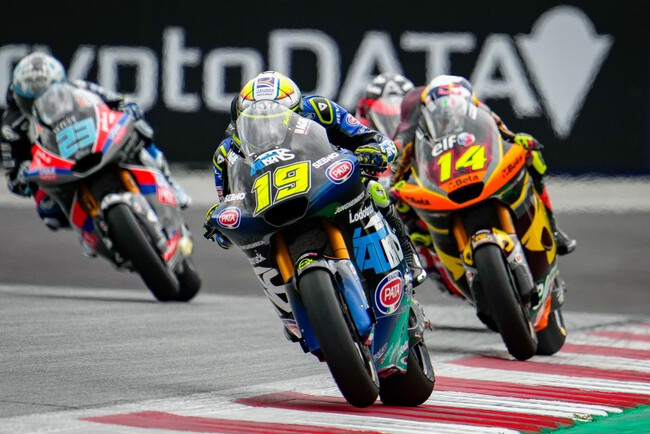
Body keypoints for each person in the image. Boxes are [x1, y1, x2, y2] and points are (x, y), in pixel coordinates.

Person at [204, 70, 427, 287]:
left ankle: (408, 254)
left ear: (297, 110)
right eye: (256, 120)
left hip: (323, 179)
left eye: (276, 118)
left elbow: (375, 139)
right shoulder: (226, 153)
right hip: (268, 206)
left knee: (372, 188)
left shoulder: (321, 109)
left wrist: (376, 151)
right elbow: (229, 203)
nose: (268, 128)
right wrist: (219, 223)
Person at [1, 51, 191, 234]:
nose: (41, 105)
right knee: (50, 214)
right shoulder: (11, 128)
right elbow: (13, 180)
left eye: (48, 95)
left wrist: (127, 108)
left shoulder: (78, 88)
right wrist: (24, 175)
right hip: (56, 167)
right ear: (18, 98)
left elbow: (119, 101)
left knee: (138, 128)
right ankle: (91, 234)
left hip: (94, 142)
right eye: (30, 101)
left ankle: (169, 182)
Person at [391, 74, 577, 256]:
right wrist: (395, 184)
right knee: (400, 202)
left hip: (474, 162)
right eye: (443, 114)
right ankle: (427, 240)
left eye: (457, 110)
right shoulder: (414, 119)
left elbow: (502, 132)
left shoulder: (479, 108)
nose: (451, 118)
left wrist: (518, 141)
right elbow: (400, 151)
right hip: (436, 169)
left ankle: (553, 227)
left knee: (532, 155)